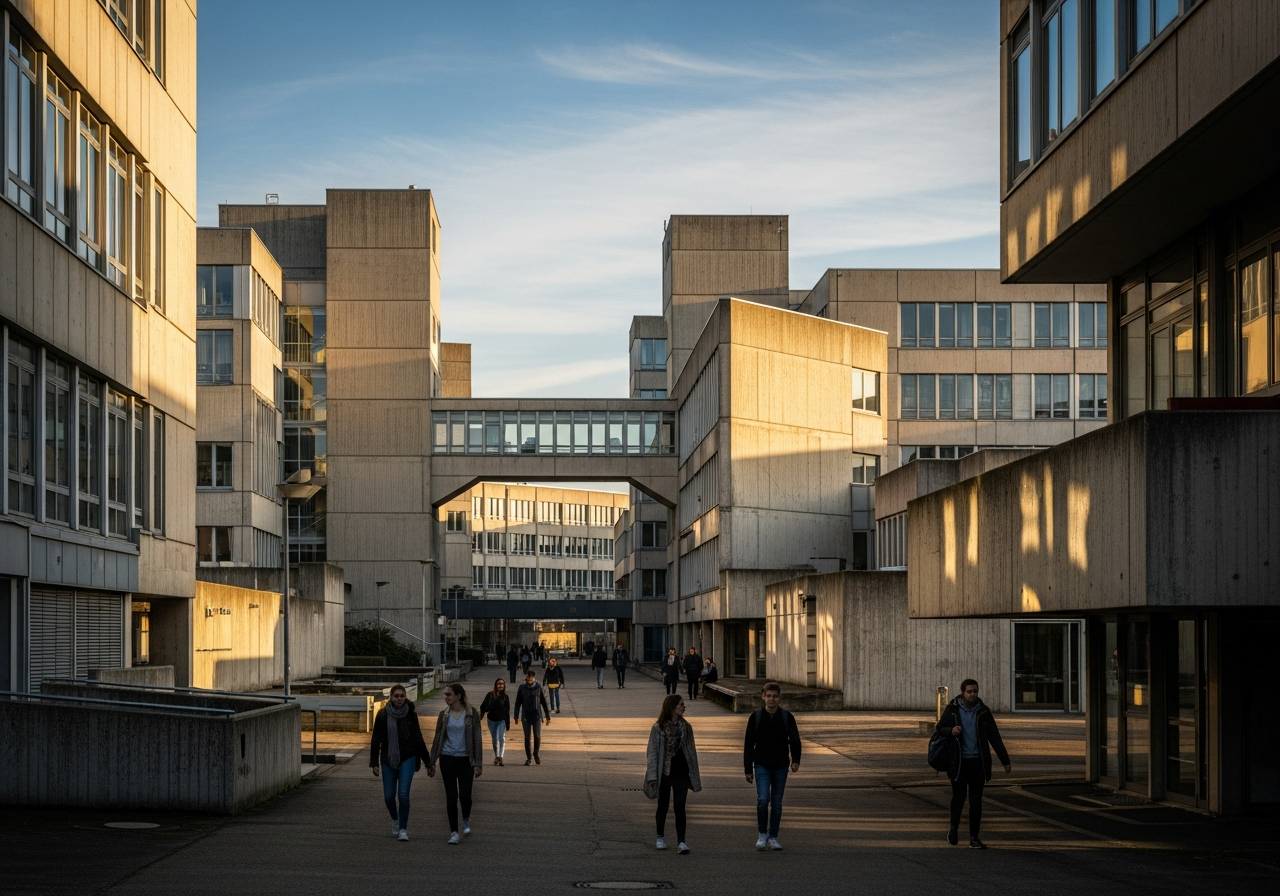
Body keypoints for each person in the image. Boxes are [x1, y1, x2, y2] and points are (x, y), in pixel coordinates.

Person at [936, 678, 1011, 850]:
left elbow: (995, 737)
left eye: (975, 691)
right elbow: (939, 728)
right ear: (962, 692)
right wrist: (951, 730)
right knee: (959, 798)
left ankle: (974, 837)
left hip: (978, 763)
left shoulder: (983, 712)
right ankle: (953, 829)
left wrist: (1005, 761)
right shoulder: (953, 710)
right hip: (959, 763)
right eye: (969, 691)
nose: (973, 694)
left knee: (976, 801)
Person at [743, 682, 801, 850]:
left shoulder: (786, 717)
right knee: (763, 799)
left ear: (779, 698)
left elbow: (795, 740)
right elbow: (748, 744)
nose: (772, 699)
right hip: (761, 764)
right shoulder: (756, 717)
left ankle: (773, 836)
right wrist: (748, 769)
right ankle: (762, 834)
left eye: (775, 696)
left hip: (781, 766)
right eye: (768, 696)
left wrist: (795, 759)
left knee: (776, 802)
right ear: (763, 697)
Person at [369, 684, 429, 841]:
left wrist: (428, 762)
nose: (399, 699)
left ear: (405, 697)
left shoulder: (410, 715)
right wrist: (374, 762)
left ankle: (403, 828)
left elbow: (418, 739)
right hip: (388, 758)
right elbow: (376, 739)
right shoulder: (382, 715)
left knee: (403, 795)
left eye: (402, 696)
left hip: (408, 757)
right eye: (396, 696)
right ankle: (395, 819)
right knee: (389, 796)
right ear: (391, 697)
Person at [427, 683, 484, 845]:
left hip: (466, 760)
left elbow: (477, 739)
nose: (446, 697)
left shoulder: (471, 714)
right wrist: (432, 762)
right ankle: (453, 832)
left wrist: (478, 763)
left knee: (465, 796)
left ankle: (466, 818)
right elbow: (438, 739)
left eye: (449, 694)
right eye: (445, 695)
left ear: (458, 696)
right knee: (451, 797)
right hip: (447, 758)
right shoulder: (443, 715)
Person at [645, 694, 702, 854]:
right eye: (681, 705)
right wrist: (652, 776)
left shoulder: (686, 727)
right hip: (664, 772)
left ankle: (682, 842)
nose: (684, 707)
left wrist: (694, 774)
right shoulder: (659, 728)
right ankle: (660, 837)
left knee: (679, 806)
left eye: (684, 705)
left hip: (682, 773)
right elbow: (652, 752)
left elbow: (692, 751)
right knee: (662, 805)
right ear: (672, 707)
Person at [511, 668, 551, 764]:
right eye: (528, 677)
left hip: (536, 715)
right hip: (526, 716)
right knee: (527, 737)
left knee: (537, 736)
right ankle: (528, 758)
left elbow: (543, 702)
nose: (529, 679)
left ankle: (536, 754)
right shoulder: (522, 688)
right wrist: (516, 716)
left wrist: (547, 716)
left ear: (534, 678)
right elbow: (518, 703)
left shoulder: (537, 687)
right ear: (526, 677)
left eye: (531, 678)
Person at [479, 678, 510, 766]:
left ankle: (501, 757)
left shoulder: (505, 697)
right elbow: (483, 706)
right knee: (495, 739)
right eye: (499, 684)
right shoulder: (490, 695)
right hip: (492, 720)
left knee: (502, 738)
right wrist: (481, 716)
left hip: (502, 720)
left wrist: (507, 723)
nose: (500, 685)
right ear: (495, 685)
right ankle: (496, 756)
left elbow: (507, 711)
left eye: (502, 684)